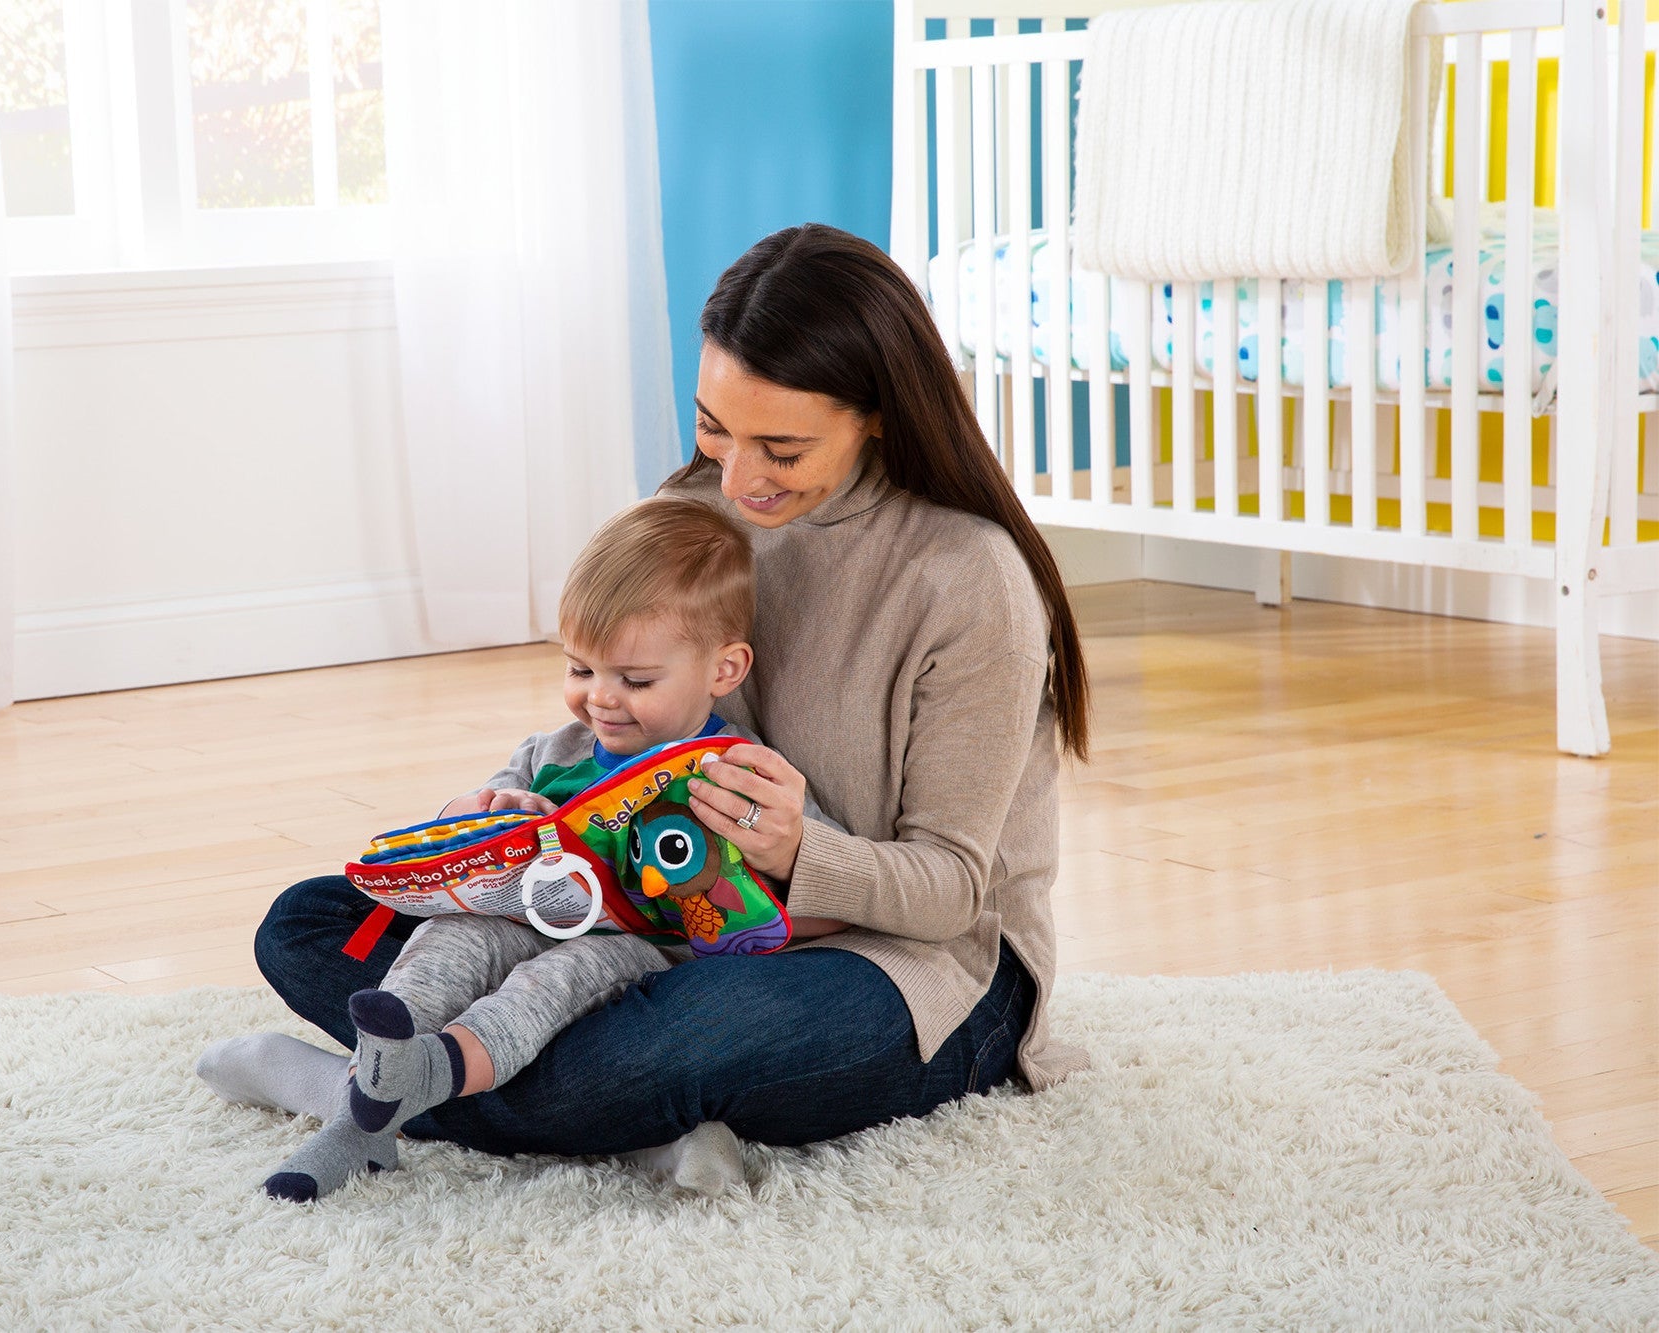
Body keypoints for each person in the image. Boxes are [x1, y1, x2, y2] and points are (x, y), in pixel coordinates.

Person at [202, 222, 1091, 1182]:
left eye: (781, 450)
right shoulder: (699, 513)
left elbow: (954, 889)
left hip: (913, 964)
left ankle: (341, 1088)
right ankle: (586, 1114)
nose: (737, 478)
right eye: (714, 426)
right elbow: (613, 714)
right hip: (651, 920)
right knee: (311, 920)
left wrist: (799, 852)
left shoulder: (967, 579)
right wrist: (519, 823)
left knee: (658, 1044)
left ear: (878, 412)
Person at [242, 497, 834, 1201]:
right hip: (519, 914)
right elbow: (456, 832)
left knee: (561, 977)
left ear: (725, 668)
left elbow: (815, 879)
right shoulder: (553, 752)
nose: (600, 699)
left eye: (635, 679)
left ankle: (396, 1081)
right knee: (440, 935)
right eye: (580, 669)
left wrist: (772, 853)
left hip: (641, 951)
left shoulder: (741, 768)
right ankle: (377, 1080)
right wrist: (493, 811)